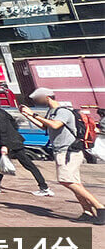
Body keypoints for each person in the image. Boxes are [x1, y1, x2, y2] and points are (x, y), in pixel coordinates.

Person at [19, 88, 105, 224]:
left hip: (69, 151)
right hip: (63, 151)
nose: (36, 101)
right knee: (75, 183)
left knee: (65, 180)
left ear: (46, 97)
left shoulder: (63, 111)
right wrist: (27, 115)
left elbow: (55, 125)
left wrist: (33, 114)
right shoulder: (52, 111)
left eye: (37, 99)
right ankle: (87, 212)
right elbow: (44, 126)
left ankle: (100, 207)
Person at [0, 96, 51, 196]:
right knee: (0, 162)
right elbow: (14, 125)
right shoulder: (2, 113)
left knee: (28, 165)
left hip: (10, 144)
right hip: (13, 142)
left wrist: (4, 145)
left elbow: (3, 130)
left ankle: (44, 187)